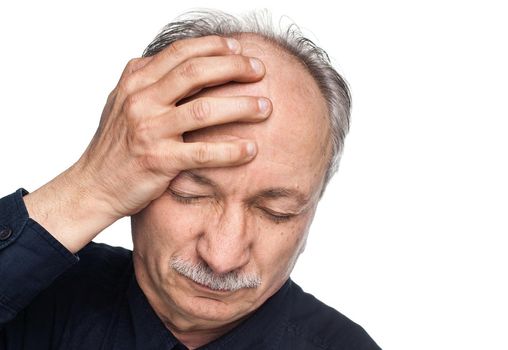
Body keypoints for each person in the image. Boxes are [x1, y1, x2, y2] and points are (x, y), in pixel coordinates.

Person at [0, 9, 380, 349]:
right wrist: (87, 188)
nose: (222, 257)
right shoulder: (38, 296)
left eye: (275, 212)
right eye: (191, 193)